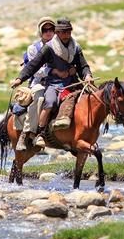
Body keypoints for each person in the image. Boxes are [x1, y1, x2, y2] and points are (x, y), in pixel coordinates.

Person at [10, 18, 93, 148]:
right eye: (63, 32)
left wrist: (87, 75)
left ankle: (89, 131)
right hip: (53, 84)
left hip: (72, 82)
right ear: (58, 33)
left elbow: (83, 65)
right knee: (49, 102)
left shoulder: (75, 47)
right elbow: (34, 65)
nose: (66, 35)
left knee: (91, 100)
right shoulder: (48, 48)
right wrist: (20, 78)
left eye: (68, 31)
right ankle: (40, 133)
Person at [15, 16, 56, 151]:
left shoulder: (59, 46)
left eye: (51, 29)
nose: (48, 32)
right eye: (45, 30)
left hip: (57, 82)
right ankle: (26, 133)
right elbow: (35, 70)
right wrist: (52, 70)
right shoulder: (33, 48)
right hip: (38, 82)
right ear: (40, 32)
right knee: (39, 98)